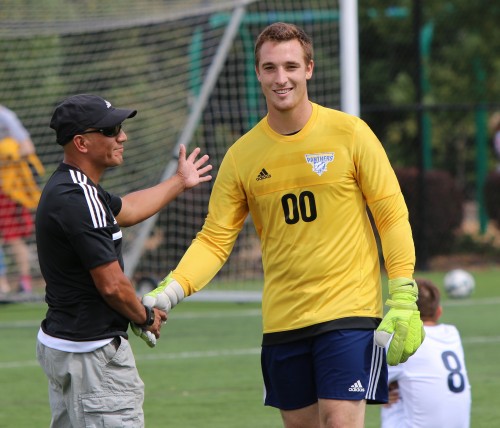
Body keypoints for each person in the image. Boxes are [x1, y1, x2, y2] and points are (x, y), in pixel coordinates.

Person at [143, 22, 424, 427]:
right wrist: (170, 292)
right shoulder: (242, 156)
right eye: (270, 68)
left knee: (341, 422)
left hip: (350, 312)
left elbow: (391, 216)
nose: (281, 78)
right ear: (257, 73)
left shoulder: (351, 134)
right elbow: (214, 240)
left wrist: (402, 296)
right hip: (283, 320)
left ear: (309, 69)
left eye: (291, 66)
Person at [35, 94, 212, 427]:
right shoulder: (78, 198)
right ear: (81, 142)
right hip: (92, 356)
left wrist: (178, 181)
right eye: (111, 129)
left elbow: (127, 210)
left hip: (67, 346)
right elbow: (113, 286)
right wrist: (145, 317)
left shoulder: (74, 188)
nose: (123, 136)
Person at [380, 278, 471, 428]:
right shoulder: (452, 334)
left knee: (391, 395)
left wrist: (379, 394)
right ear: (439, 312)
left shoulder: (401, 339)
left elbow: (365, 381)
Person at [0, 104, 44, 293]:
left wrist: (6, 154)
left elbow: (27, 148)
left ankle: (24, 281)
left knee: (13, 237)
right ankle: (2, 284)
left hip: (9, 190)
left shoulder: (5, 116)